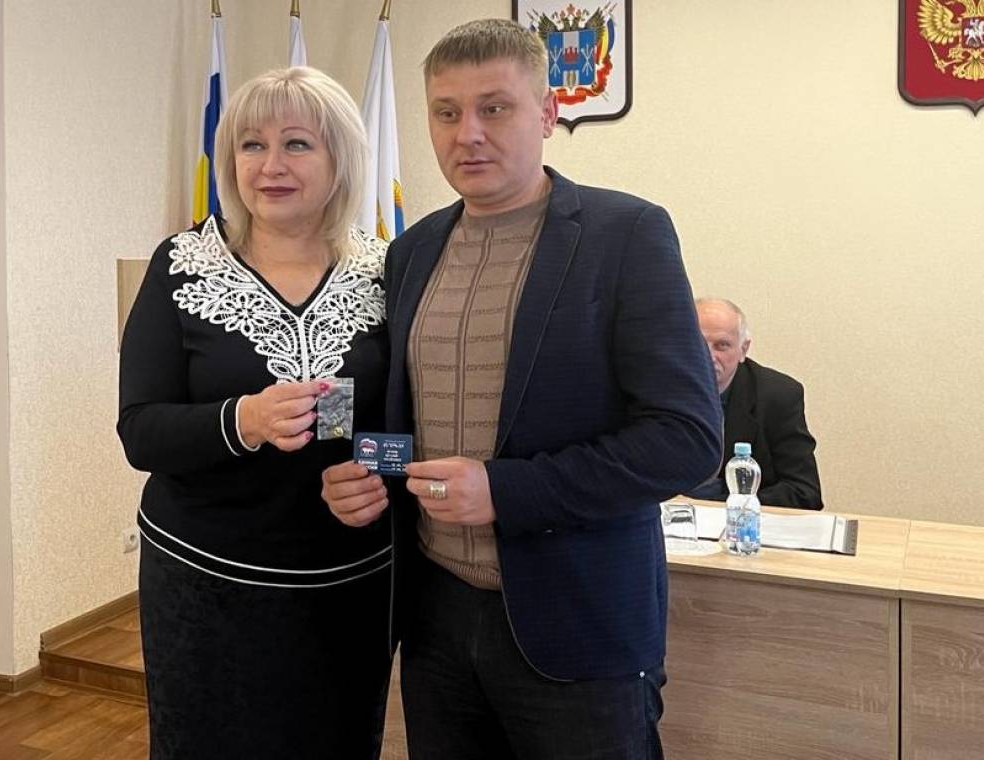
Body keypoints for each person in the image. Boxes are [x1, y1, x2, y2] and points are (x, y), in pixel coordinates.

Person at [321, 19, 722, 760]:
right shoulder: (410, 251)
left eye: (494, 108)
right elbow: (410, 417)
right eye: (446, 112)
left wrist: (506, 491)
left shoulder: (626, 234)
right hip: (435, 619)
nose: (467, 133)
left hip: (579, 623)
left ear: (546, 114)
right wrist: (359, 473)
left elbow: (687, 439)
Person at [117, 67, 393, 759]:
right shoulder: (182, 264)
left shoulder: (388, 271)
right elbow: (141, 431)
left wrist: (376, 473)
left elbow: (404, 421)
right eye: (251, 144)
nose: (270, 165)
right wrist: (243, 420)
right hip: (206, 585)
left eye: (297, 143)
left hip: (347, 588)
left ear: (340, 158)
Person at [689, 297, 823, 509]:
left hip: (741, 521)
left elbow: (804, 493)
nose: (708, 356)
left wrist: (721, 506)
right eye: (697, 343)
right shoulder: (651, 389)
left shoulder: (777, 396)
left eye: (722, 345)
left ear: (743, 349)